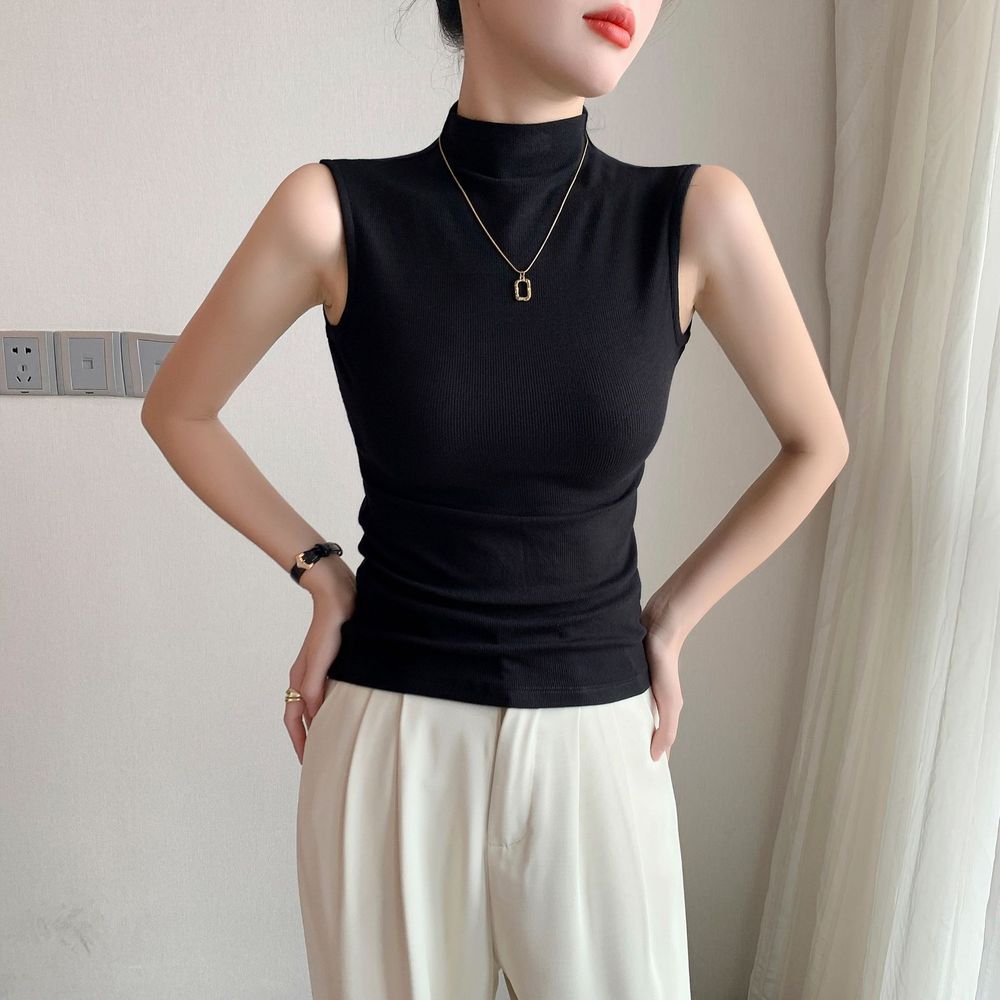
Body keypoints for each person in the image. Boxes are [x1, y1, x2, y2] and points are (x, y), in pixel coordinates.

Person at [140, 1, 850, 997]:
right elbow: (180, 411)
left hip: (601, 738)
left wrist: (672, 619)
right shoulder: (332, 211)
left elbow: (818, 445)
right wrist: (321, 574)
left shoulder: (694, 215)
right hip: (392, 740)